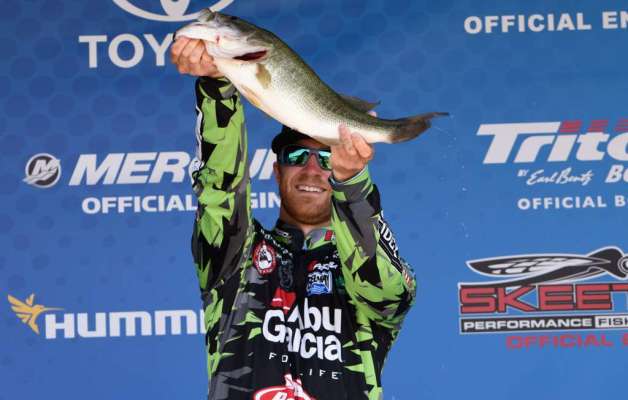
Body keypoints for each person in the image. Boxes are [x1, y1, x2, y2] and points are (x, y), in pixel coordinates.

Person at [171, 37, 417, 400]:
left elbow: (388, 293)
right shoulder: (235, 259)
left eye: (327, 159)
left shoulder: (368, 271)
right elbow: (219, 188)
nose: (312, 169)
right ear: (277, 170)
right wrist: (217, 87)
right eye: (298, 156)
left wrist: (352, 183)